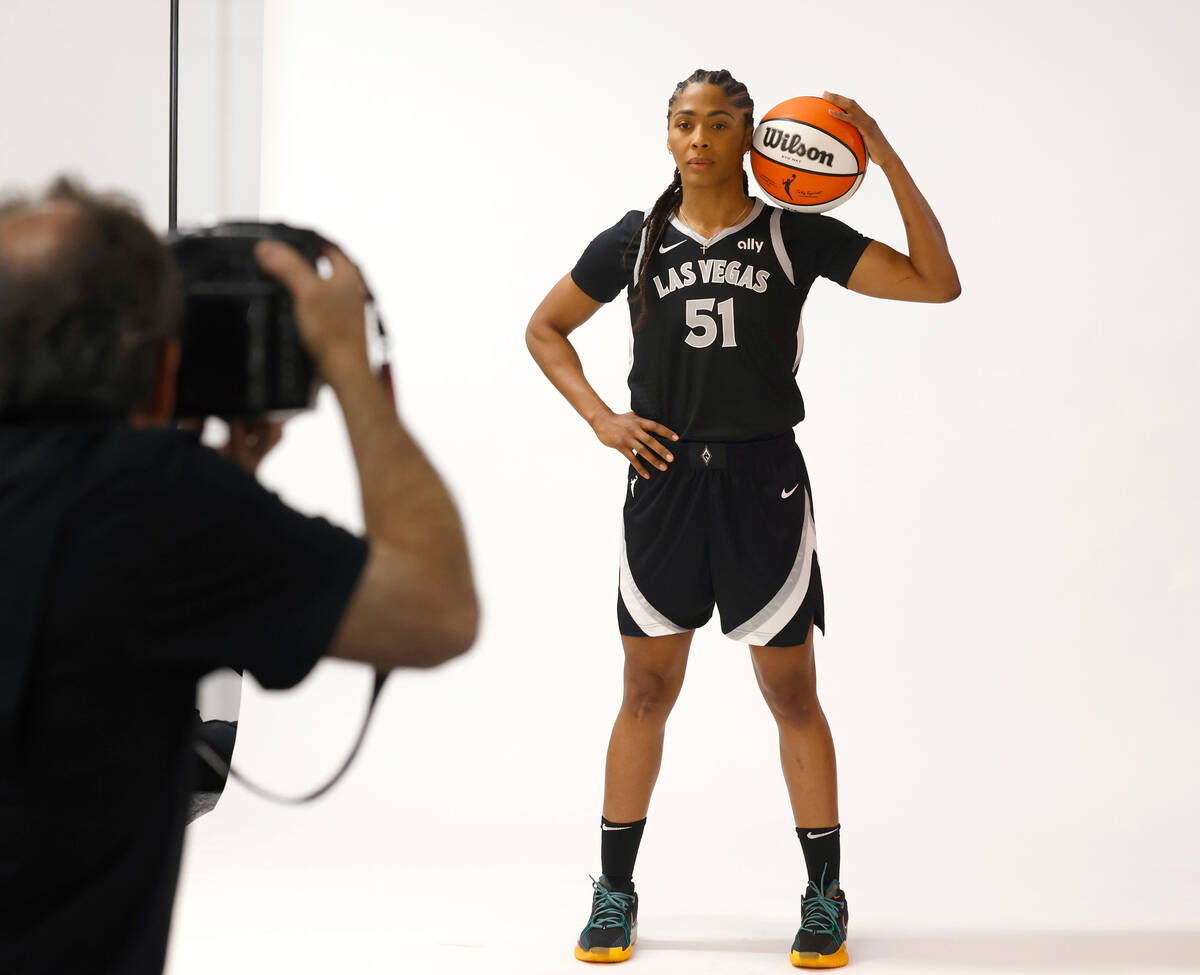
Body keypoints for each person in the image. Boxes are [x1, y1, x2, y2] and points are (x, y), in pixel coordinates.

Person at [525, 69, 959, 968]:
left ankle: (825, 895)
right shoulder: (635, 241)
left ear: (750, 136)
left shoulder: (795, 234)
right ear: (668, 134)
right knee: (645, 691)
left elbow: (936, 282)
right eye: (684, 121)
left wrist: (884, 157)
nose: (698, 137)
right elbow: (545, 328)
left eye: (717, 123)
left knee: (791, 693)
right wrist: (602, 417)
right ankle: (614, 890)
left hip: (764, 480)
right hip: (665, 478)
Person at [0, 177, 479, 974]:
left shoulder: (154, 509)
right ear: (155, 361)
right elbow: (435, 607)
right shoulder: (151, 507)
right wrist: (350, 369)